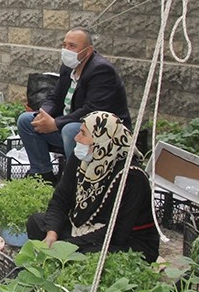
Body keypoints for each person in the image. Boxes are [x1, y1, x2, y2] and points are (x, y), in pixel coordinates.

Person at [26, 111, 160, 263]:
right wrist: (52, 234)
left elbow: (116, 233)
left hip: (127, 241)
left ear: (102, 141)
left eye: (83, 133)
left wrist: (68, 245)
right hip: (85, 229)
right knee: (36, 222)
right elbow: (60, 200)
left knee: (88, 255)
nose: (77, 138)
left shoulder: (132, 177)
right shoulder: (80, 159)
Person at [17, 27, 131, 183]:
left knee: (71, 130)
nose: (66, 50)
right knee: (26, 120)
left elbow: (92, 110)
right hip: (67, 125)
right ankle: (42, 175)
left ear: (88, 50)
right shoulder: (68, 67)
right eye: (64, 45)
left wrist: (55, 123)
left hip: (100, 135)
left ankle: (75, 181)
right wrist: (44, 114)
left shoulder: (101, 70)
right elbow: (54, 97)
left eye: (72, 46)